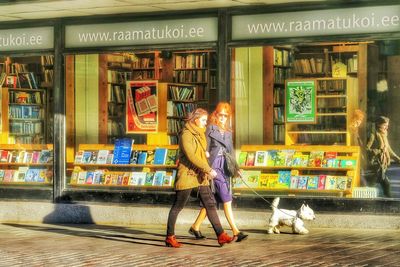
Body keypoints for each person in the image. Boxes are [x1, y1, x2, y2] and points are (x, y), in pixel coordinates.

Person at [165, 108, 233, 248]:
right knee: (178, 206)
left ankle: (220, 235)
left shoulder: (201, 133)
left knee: (210, 204)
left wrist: (206, 154)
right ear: (195, 120)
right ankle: (170, 237)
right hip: (188, 175)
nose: (205, 123)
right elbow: (191, 156)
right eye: (203, 120)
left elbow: (200, 152)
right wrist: (209, 169)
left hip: (200, 176)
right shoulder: (186, 134)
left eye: (205, 120)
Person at [189, 102, 248, 242]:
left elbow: (231, 152)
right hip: (213, 167)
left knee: (212, 201)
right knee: (227, 198)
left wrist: (236, 169)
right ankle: (235, 231)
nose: (223, 118)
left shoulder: (228, 132)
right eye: (220, 115)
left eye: (225, 115)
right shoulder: (210, 129)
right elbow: (204, 148)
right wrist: (206, 166)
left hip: (225, 166)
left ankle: (195, 227)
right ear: (216, 114)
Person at [366, 116, 400, 197]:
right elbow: (366, 149)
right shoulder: (373, 135)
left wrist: (398, 160)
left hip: (382, 165)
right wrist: (379, 150)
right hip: (376, 165)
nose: (387, 127)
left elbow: (389, 151)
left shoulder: (384, 135)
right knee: (383, 185)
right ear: (379, 125)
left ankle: (388, 201)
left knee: (381, 185)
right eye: (385, 125)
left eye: (387, 125)